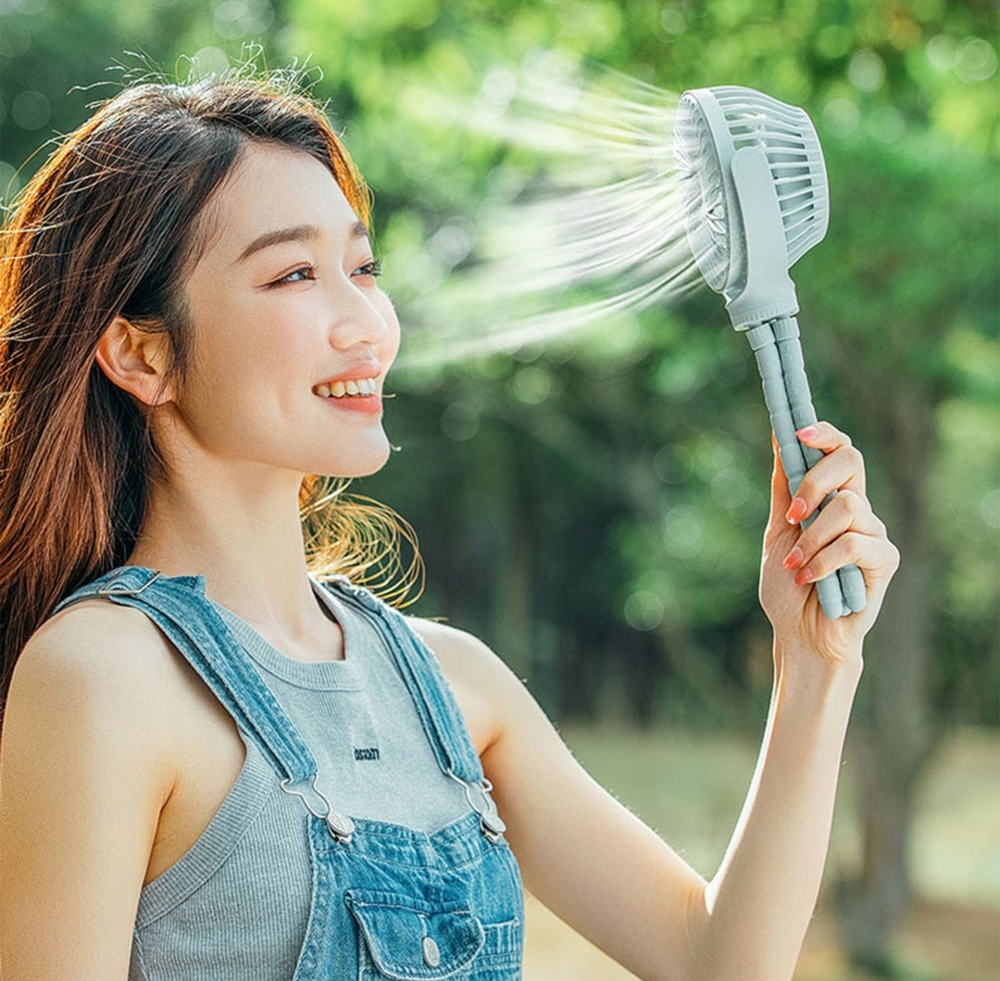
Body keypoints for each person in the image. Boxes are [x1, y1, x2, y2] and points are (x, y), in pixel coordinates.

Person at [0, 70, 899, 981]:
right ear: (143, 354)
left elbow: (718, 963)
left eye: (362, 268)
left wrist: (816, 666)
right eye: (294, 274)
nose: (366, 323)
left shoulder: (451, 683)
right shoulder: (102, 679)